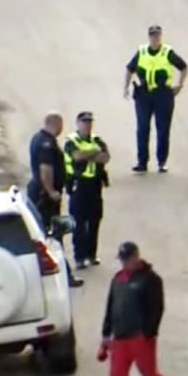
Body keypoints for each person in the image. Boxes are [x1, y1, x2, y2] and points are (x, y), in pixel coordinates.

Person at [96, 241, 181, 376]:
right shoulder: (117, 279)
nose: (125, 264)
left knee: (150, 375)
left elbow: (156, 309)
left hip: (140, 337)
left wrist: (148, 332)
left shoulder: (150, 279)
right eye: (123, 260)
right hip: (120, 337)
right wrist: (105, 334)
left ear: (136, 256)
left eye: (128, 259)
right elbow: (111, 307)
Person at [28, 111, 83, 288]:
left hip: (40, 194)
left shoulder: (38, 139)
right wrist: (51, 191)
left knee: (47, 235)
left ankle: (59, 273)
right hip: (45, 198)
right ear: (56, 124)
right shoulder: (46, 143)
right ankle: (62, 275)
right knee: (52, 237)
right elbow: (45, 170)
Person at [124, 24, 188, 174]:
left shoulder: (167, 52)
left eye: (157, 35)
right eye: (152, 35)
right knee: (142, 128)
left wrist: (180, 84)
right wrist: (125, 87)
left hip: (162, 95)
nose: (155, 38)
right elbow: (129, 68)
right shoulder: (142, 52)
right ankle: (142, 162)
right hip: (144, 94)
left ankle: (162, 161)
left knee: (163, 129)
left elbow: (183, 67)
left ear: (161, 36)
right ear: (149, 37)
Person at [63, 111, 111, 269]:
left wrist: (88, 155)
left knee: (94, 222)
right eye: (84, 121)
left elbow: (105, 158)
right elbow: (76, 156)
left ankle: (91, 255)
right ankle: (80, 257)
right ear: (78, 123)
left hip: (95, 186)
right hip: (78, 186)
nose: (87, 124)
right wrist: (94, 153)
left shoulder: (97, 140)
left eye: (89, 121)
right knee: (79, 223)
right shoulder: (71, 141)